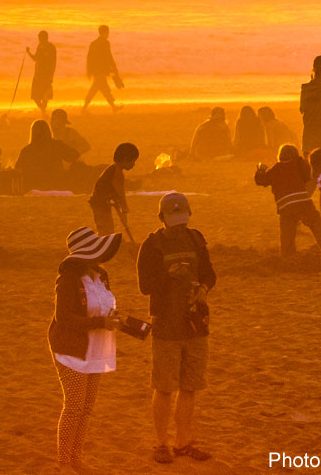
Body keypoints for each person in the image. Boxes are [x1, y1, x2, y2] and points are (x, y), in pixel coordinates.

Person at [135, 193, 215, 465]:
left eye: (183, 220)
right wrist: (168, 274)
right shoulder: (151, 245)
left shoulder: (196, 239)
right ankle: (161, 443)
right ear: (161, 219)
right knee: (165, 387)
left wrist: (203, 289)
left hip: (194, 325)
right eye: (174, 221)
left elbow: (209, 274)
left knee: (190, 386)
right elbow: (144, 286)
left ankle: (183, 442)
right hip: (166, 326)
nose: (179, 226)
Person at [48, 227, 125, 475]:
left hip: (96, 346)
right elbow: (64, 318)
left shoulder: (101, 276)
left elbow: (102, 308)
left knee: (87, 406)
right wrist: (99, 323)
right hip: (71, 348)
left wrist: (113, 320)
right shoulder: (68, 281)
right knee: (74, 406)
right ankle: (63, 462)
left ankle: (76, 459)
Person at [254, 144, 321, 257]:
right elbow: (309, 176)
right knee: (315, 223)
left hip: (285, 206)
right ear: (295, 155)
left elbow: (261, 181)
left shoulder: (275, 169)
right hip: (303, 201)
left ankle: (287, 255)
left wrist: (260, 172)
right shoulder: (299, 163)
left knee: (287, 232)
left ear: (280, 156)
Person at [15, 120, 84, 193]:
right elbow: (75, 156)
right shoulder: (57, 145)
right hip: (57, 184)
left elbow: (18, 169)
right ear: (48, 131)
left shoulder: (26, 150)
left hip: (34, 186)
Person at [90, 143, 138, 235]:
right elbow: (120, 193)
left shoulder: (113, 169)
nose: (134, 165)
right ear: (125, 160)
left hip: (102, 202)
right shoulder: (117, 174)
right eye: (133, 161)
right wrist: (124, 208)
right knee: (105, 230)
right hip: (99, 203)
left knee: (107, 228)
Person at [83, 25, 122, 115]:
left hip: (97, 71)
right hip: (100, 71)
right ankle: (113, 107)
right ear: (105, 33)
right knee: (101, 89)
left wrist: (89, 70)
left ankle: (113, 107)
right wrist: (114, 68)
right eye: (107, 32)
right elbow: (109, 57)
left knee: (97, 89)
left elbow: (89, 58)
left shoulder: (93, 43)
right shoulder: (105, 43)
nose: (108, 34)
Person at [27, 30, 58, 115]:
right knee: (39, 95)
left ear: (43, 38)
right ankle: (43, 111)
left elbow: (52, 62)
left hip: (43, 74)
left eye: (40, 38)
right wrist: (28, 52)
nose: (39, 40)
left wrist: (51, 75)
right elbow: (36, 59)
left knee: (41, 95)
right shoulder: (43, 46)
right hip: (41, 74)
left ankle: (43, 111)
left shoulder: (48, 47)